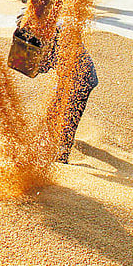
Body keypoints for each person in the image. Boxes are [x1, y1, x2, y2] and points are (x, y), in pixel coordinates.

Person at [39, 22, 98, 164]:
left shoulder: (59, 37)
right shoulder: (50, 35)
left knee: (70, 117)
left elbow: (44, 66)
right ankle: (50, 143)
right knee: (53, 112)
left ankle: (62, 154)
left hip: (82, 80)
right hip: (66, 79)